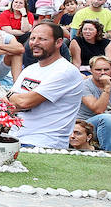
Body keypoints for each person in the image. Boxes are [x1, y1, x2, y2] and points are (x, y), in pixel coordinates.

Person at [6, 21, 86, 150]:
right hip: (16, 137)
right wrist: (15, 99)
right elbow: (9, 105)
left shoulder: (65, 71)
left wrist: (12, 96)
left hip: (44, 143)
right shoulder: (30, 69)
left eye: (42, 39)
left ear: (59, 42)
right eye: (32, 38)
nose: (35, 43)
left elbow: (24, 102)